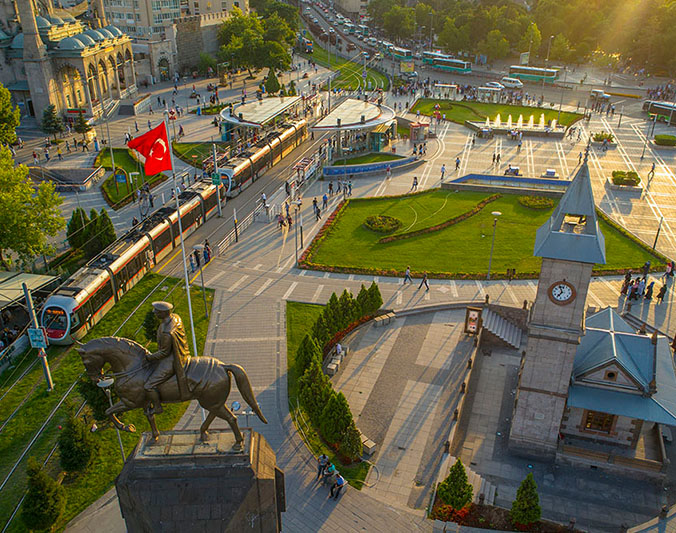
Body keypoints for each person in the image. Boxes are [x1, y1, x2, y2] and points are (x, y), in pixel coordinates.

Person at [144, 301, 191, 414]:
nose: (154, 312)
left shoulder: (167, 332)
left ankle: (157, 407)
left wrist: (149, 357)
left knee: (148, 385)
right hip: (182, 352)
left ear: (163, 313)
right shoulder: (175, 317)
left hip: (171, 360)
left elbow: (164, 353)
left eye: (157, 311)